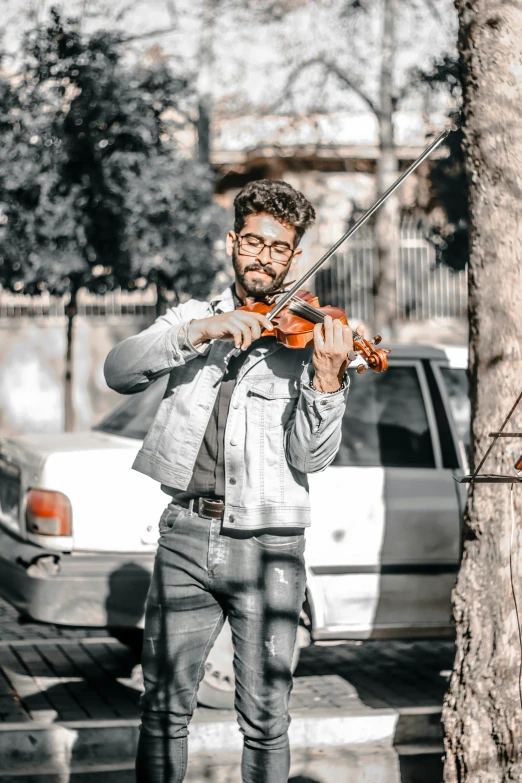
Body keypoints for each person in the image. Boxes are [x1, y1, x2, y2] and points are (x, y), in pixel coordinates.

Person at [104, 179, 360, 783]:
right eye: (254, 241)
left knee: (266, 719)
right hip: (185, 535)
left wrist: (325, 380)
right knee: (162, 710)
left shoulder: (310, 337)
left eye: (280, 248)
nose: (265, 257)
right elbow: (119, 370)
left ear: (296, 256)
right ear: (233, 242)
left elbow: (312, 456)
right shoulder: (192, 317)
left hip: (271, 544)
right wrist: (204, 331)